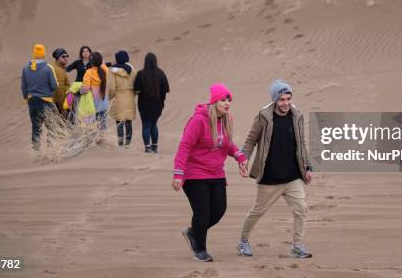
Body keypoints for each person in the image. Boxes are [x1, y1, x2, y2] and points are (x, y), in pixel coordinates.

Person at [237, 80, 314, 258]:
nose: (286, 103)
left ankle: (297, 245)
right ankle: (243, 241)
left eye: (288, 98)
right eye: (281, 99)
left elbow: (301, 144)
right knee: (257, 212)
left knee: (301, 208)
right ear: (275, 100)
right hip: (270, 177)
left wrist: (308, 167)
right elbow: (250, 140)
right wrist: (243, 160)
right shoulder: (263, 117)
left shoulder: (297, 116)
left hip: (292, 176)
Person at [172, 83, 249, 262]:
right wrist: (178, 174)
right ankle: (200, 250)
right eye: (223, 100)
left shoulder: (227, 119)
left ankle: (193, 233)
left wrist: (240, 157)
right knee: (203, 212)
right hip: (194, 174)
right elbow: (184, 146)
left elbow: (226, 143)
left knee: (219, 210)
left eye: (229, 100)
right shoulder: (198, 120)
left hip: (216, 173)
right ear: (215, 101)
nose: (227, 103)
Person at [20, 44, 58, 150]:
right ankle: (51, 150)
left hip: (32, 101)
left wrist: (27, 99)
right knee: (51, 127)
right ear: (43, 54)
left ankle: (36, 152)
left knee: (36, 128)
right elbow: (54, 86)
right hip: (46, 102)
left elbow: (23, 87)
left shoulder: (26, 69)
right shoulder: (48, 68)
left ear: (34, 54)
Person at [133, 53, 169, 153]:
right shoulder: (161, 73)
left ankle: (147, 147)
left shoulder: (141, 73)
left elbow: (136, 89)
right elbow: (165, 89)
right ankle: (155, 146)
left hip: (144, 105)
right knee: (154, 124)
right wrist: (162, 101)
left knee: (146, 125)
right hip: (157, 104)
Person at [109, 50, 136, 146]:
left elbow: (112, 87)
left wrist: (110, 97)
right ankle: (128, 144)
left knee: (119, 123)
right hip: (130, 98)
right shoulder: (132, 70)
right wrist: (134, 94)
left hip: (119, 98)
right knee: (128, 123)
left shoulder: (113, 71)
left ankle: (120, 144)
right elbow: (136, 84)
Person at [81, 51, 109, 131]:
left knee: (93, 125)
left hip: (93, 103)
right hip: (104, 101)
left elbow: (85, 89)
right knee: (103, 124)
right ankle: (103, 140)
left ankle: (96, 141)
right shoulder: (105, 69)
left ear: (91, 62)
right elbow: (102, 62)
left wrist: (80, 91)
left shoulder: (88, 73)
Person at [50, 48, 71, 116]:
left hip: (55, 103)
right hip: (58, 104)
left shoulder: (57, 66)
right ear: (57, 58)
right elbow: (59, 90)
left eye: (67, 56)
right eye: (63, 56)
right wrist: (63, 108)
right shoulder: (58, 71)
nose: (66, 58)